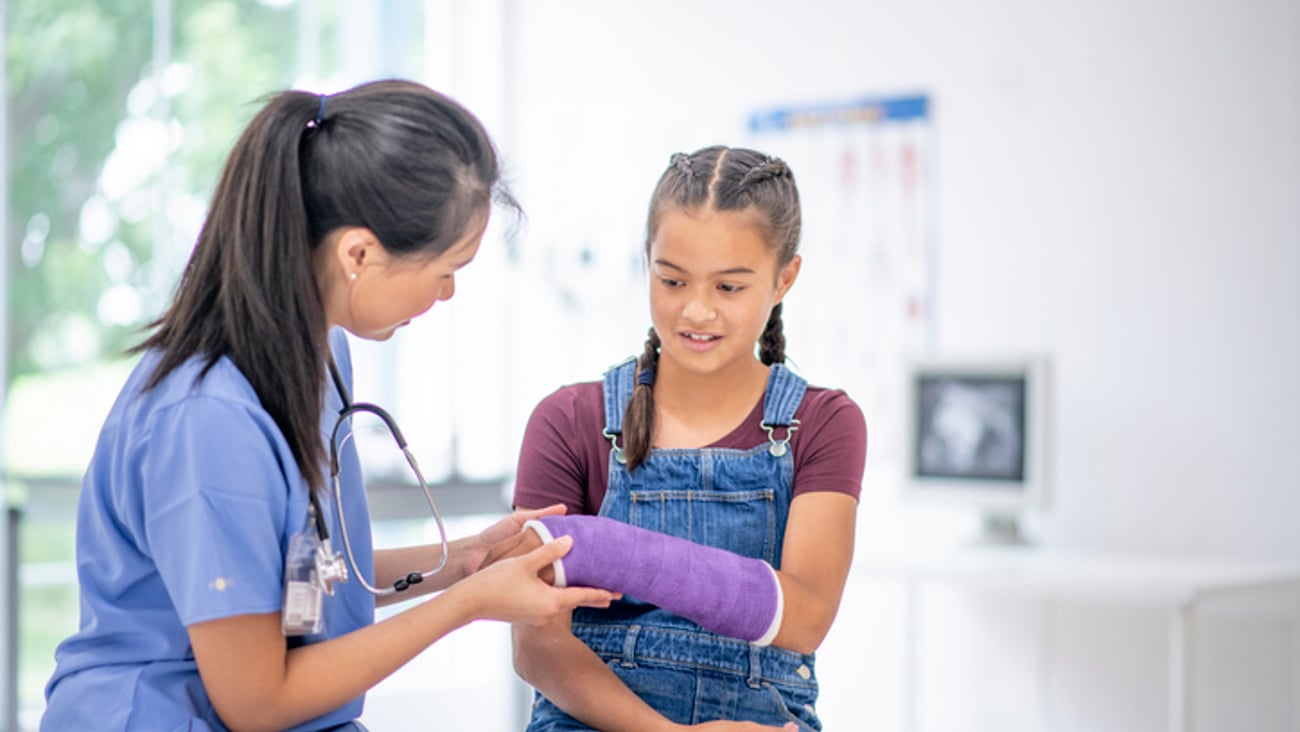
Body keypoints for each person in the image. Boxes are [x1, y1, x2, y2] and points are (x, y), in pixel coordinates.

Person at [41, 78, 618, 732]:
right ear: (360, 253)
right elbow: (256, 700)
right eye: (445, 269)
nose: (450, 293)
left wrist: (462, 562)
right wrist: (468, 604)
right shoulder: (208, 420)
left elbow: (290, 571)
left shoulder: (317, 357)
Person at [501, 146, 867, 731]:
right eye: (672, 279)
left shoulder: (822, 422)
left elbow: (806, 616)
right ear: (647, 262)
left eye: (729, 288)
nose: (696, 311)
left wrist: (617, 553)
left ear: (784, 279)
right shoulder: (568, 419)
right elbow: (535, 644)